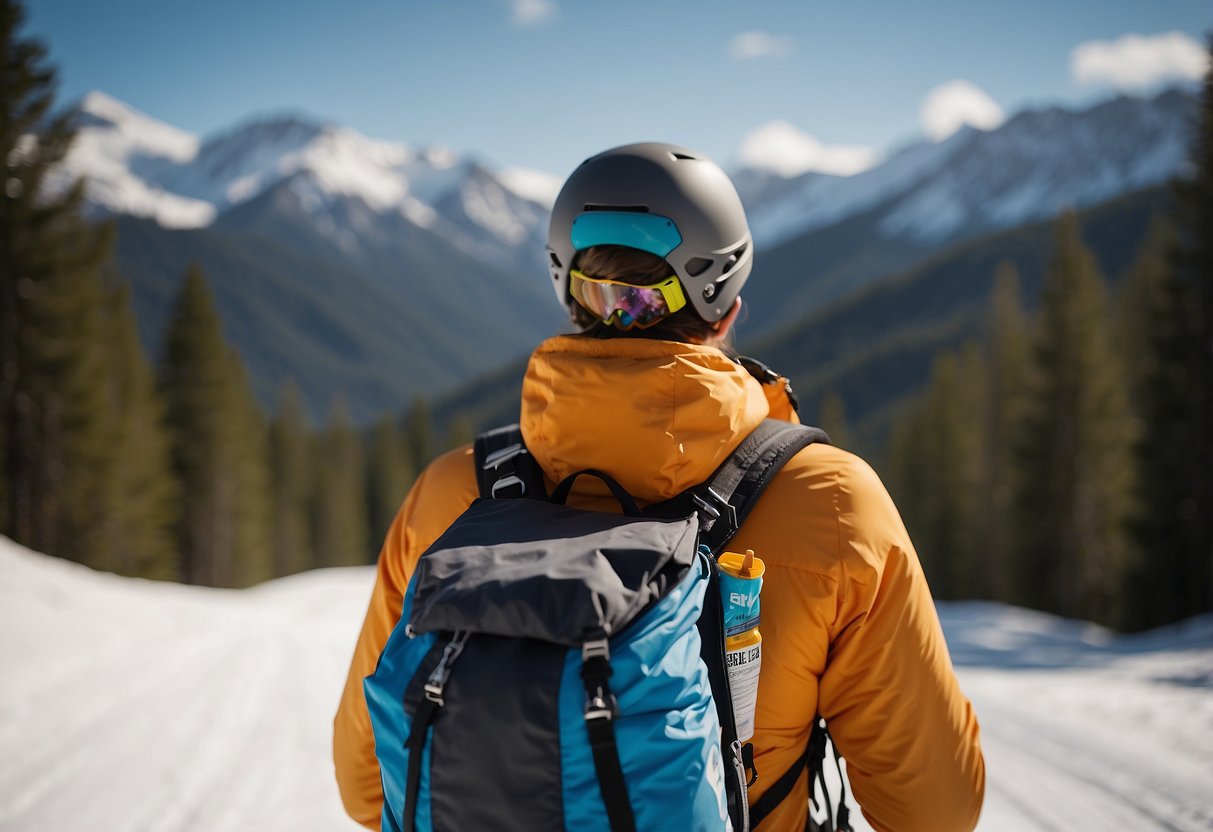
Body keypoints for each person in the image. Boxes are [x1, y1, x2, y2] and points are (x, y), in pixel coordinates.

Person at [333, 143, 985, 831]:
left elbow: (365, 785)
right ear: (728, 307)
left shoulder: (449, 492)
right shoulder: (830, 502)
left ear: (568, 290)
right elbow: (933, 812)